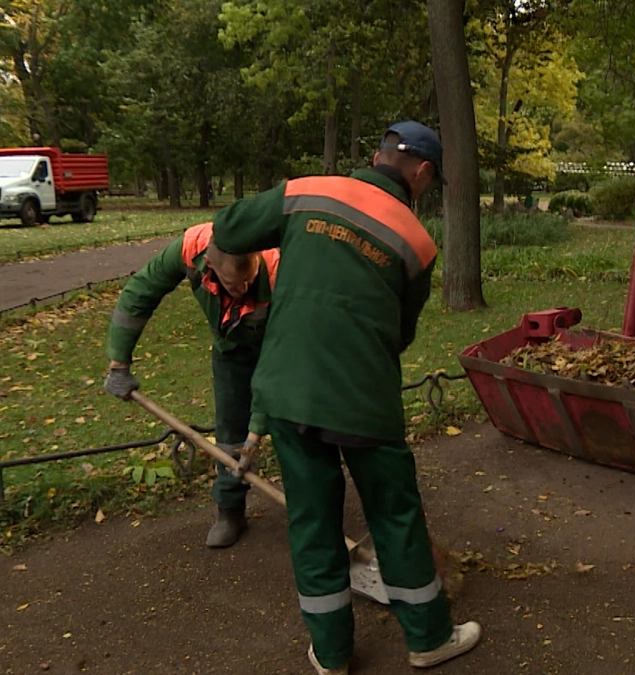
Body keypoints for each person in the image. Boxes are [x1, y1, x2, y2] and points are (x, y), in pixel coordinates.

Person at [211, 121, 480, 673]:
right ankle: (428, 638)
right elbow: (401, 331)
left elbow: (230, 228)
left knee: (312, 521)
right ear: (422, 172)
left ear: (378, 156)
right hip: (364, 399)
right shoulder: (418, 243)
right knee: (394, 515)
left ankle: (332, 654)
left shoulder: (307, 192)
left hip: (288, 391)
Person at [103, 222, 279, 548]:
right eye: (232, 283)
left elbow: (282, 366)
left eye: (247, 281)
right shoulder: (190, 247)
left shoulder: (280, 267)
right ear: (209, 265)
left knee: (294, 425)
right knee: (229, 431)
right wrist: (119, 363)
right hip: (231, 349)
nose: (241, 289)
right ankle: (230, 511)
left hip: (284, 347)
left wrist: (256, 433)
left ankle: (309, 514)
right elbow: (140, 293)